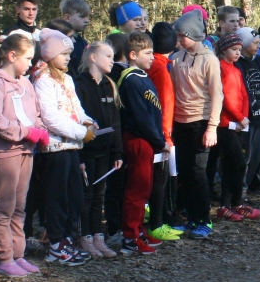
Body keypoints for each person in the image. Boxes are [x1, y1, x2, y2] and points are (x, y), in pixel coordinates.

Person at [0, 32, 47, 276]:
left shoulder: (26, 83)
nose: (31, 64)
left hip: (26, 152)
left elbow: (36, 114)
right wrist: (25, 132)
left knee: (20, 207)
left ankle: (18, 254)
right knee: (4, 207)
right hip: (3, 153)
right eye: (28, 58)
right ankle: (3, 258)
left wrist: (39, 131)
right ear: (11, 56)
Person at [33, 29, 96, 264]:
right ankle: (56, 243)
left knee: (75, 196)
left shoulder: (66, 78)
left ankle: (68, 238)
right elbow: (50, 117)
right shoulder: (43, 80)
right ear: (50, 54)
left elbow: (76, 108)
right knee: (57, 197)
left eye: (70, 53)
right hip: (54, 148)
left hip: (72, 147)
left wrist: (88, 121)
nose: (69, 57)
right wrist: (82, 132)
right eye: (64, 53)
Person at [170, 10, 222, 238]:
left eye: (182, 36)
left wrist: (212, 127)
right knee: (185, 172)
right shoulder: (177, 58)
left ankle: (204, 219)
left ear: (193, 34)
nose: (179, 40)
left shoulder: (209, 59)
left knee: (198, 172)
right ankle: (190, 217)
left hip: (200, 123)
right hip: (179, 123)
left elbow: (217, 95)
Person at [117, 32, 167, 255]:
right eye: (147, 53)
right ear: (132, 55)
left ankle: (138, 229)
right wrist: (158, 140)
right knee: (137, 190)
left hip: (148, 140)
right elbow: (141, 117)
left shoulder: (143, 77)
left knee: (145, 189)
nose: (152, 58)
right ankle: (129, 236)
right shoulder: (131, 80)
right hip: (139, 140)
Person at [74, 42, 122, 259]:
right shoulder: (79, 85)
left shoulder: (109, 85)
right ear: (93, 57)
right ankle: (84, 236)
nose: (112, 60)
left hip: (105, 151)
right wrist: (80, 155)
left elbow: (115, 121)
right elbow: (76, 120)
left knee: (99, 195)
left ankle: (97, 236)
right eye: (108, 56)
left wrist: (117, 152)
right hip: (87, 150)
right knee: (87, 194)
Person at [214, 33, 259, 221]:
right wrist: (239, 117)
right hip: (225, 124)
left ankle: (233, 204)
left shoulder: (237, 70)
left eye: (240, 50)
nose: (237, 54)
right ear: (224, 50)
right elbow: (224, 98)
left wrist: (245, 117)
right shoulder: (221, 68)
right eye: (234, 50)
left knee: (235, 164)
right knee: (237, 163)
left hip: (239, 124)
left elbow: (244, 95)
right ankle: (231, 203)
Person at [145, 23, 179, 242]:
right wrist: (165, 135)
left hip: (160, 131)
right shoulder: (158, 66)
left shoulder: (159, 64)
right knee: (160, 179)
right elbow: (164, 103)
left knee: (163, 178)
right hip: (161, 133)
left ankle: (161, 220)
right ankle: (156, 224)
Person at [237, 28, 260, 195]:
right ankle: (240, 192)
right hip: (245, 117)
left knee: (256, 157)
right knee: (245, 157)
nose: (259, 45)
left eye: (259, 42)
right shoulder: (237, 63)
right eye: (255, 42)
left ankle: (247, 188)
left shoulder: (258, 61)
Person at [60, 0, 91, 77]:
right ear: (67, 18)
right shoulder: (60, 41)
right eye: (82, 16)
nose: (87, 20)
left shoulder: (83, 42)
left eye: (87, 16)